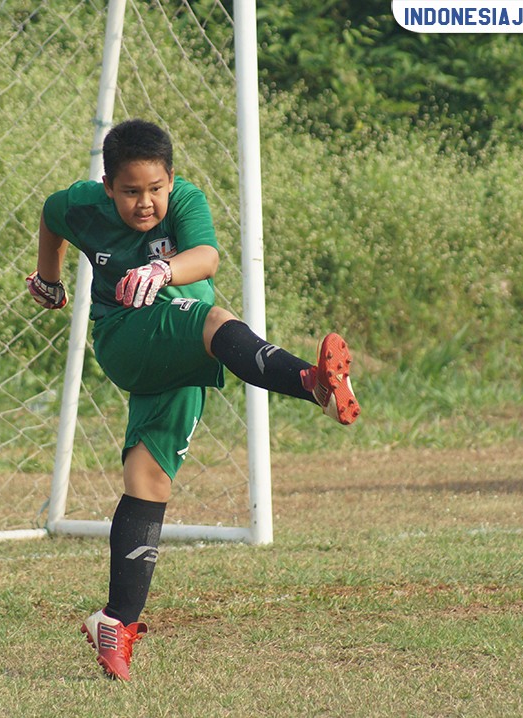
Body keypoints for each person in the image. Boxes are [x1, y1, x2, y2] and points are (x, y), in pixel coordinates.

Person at [27, 119, 359, 681]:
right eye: (131, 191)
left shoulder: (185, 200)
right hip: (127, 338)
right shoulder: (81, 205)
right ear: (107, 186)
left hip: (178, 347)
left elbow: (206, 257)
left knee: (148, 478)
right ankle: (311, 384)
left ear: (171, 179)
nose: (145, 202)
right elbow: (50, 218)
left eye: (156, 189)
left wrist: (163, 268)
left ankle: (116, 622)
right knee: (213, 318)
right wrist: (48, 280)